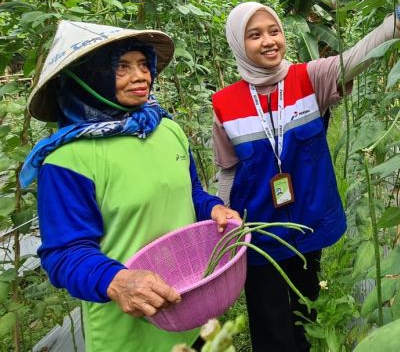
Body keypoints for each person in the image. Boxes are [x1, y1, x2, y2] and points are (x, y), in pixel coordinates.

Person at [212, 0, 400, 351]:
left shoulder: (309, 78)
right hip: (259, 229)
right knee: (268, 319)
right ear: (239, 43)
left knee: (306, 308)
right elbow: (228, 169)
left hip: (306, 221)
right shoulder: (225, 103)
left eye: (274, 31)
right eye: (254, 35)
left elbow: (358, 56)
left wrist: (399, 20)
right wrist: (224, 220)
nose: (269, 41)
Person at [20, 21, 240, 352]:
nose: (141, 76)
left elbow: (190, 193)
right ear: (90, 76)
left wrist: (213, 208)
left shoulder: (166, 130)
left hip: (190, 310)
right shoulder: (68, 162)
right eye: (121, 67)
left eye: (142, 64)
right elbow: (64, 252)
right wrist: (118, 281)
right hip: (127, 334)